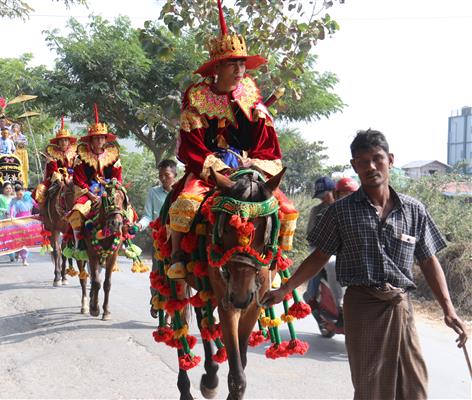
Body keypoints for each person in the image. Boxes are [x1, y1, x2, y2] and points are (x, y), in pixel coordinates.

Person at [262, 129, 468, 400]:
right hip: (362, 306)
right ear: (354, 166)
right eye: (363, 161)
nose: (372, 166)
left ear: (390, 160)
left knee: (414, 387)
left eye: (377, 158)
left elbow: (429, 260)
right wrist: (284, 289)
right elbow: (319, 257)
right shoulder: (340, 211)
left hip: (400, 307)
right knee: (370, 390)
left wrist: (449, 309)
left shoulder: (414, 210)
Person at [164, 0, 287, 279]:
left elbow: (264, 142)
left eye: (242, 64)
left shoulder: (249, 94)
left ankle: (276, 259)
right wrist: (217, 167)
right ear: (217, 67)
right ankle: (177, 258)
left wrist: (258, 120)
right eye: (233, 64)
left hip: (246, 164)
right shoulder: (196, 98)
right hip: (209, 165)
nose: (240, 70)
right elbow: (192, 144)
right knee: (185, 202)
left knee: (283, 206)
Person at [68, 104, 122, 244]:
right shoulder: (81, 158)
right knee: (77, 211)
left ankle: (124, 237)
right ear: (91, 140)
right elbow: (78, 180)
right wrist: (91, 196)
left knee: (126, 210)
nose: (99, 141)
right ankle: (78, 241)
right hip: (87, 193)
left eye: (102, 138)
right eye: (96, 138)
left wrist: (112, 188)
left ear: (105, 139)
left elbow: (117, 176)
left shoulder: (114, 156)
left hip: (109, 191)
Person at [137, 159, 178, 318]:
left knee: (176, 275)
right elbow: (148, 215)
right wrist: (139, 226)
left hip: (177, 240)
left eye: (166, 175)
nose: (163, 178)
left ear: (175, 174)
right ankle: (155, 299)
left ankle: (169, 313)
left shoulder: (181, 192)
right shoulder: (153, 192)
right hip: (159, 241)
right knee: (157, 272)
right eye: (160, 175)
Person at [303, 176, 336, 304]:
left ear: (334, 191)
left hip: (341, 247)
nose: (323, 199)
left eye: (325, 195)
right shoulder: (316, 210)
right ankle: (310, 296)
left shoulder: (344, 207)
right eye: (320, 196)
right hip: (319, 246)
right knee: (318, 262)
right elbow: (310, 234)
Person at [33, 117, 77, 211]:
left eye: (65, 140)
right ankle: (43, 212)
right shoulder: (52, 154)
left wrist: (70, 177)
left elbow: (76, 168)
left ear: (69, 142)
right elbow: (51, 171)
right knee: (40, 189)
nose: (63, 143)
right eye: (61, 140)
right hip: (56, 178)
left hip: (72, 177)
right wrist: (59, 177)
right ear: (58, 142)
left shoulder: (75, 154)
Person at [9, 184, 37, 266]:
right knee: (19, 240)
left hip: (27, 222)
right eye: (17, 194)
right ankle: (18, 252)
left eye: (20, 194)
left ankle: (24, 259)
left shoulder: (28, 199)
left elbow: (36, 205)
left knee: (25, 240)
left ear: (23, 192)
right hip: (18, 222)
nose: (19, 196)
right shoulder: (14, 200)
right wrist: (11, 216)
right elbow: (12, 209)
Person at [0, 182, 16, 262]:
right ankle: (11, 254)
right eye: (6, 188)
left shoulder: (14, 198)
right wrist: (5, 211)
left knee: (12, 236)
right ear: (3, 189)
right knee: (5, 237)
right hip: (2, 219)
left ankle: (13, 253)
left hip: (11, 220)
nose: (8, 190)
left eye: (10, 188)